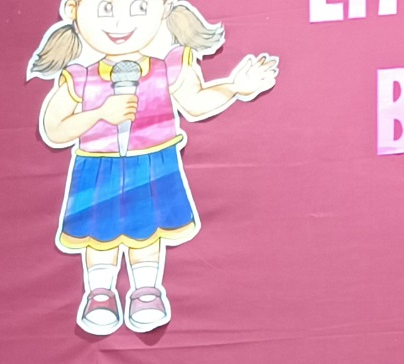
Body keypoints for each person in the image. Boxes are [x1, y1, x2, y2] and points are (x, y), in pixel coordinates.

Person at [29, 0, 278, 336]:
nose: (120, 22)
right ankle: (100, 293)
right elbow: (55, 128)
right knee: (99, 236)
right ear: (74, 11)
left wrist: (234, 87)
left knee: (147, 232)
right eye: (105, 9)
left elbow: (195, 102)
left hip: (152, 165)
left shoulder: (167, 68)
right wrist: (99, 113)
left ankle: (145, 291)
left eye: (139, 7)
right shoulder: (80, 78)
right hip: (99, 168)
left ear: (162, 9)